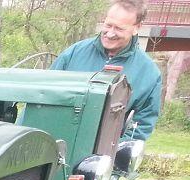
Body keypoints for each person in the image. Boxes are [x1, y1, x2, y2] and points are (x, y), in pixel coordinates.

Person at [51, 0, 162, 141]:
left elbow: (141, 125)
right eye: (108, 25)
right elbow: (45, 94)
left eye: (119, 28)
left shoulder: (148, 73)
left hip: (108, 149)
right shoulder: (74, 53)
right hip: (59, 140)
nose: (110, 34)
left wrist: (113, 148)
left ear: (137, 28)